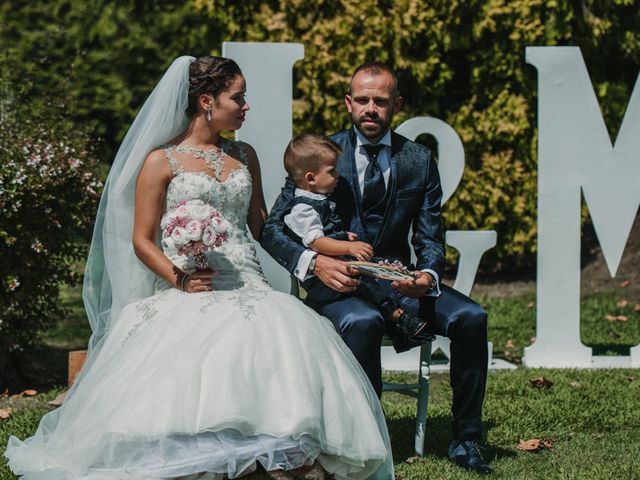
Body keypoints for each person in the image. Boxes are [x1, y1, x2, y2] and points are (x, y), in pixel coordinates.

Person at [4, 56, 394, 480]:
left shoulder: (245, 154)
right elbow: (142, 239)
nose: (246, 106)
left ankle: (277, 456)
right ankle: (214, 457)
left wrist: (319, 252)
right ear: (207, 101)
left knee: (279, 340)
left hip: (250, 284)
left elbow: (263, 226)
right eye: (238, 97)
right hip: (188, 285)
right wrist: (182, 278)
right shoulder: (160, 161)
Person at [261, 62, 493, 475]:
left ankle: (466, 441)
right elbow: (273, 227)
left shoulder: (419, 159)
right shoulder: (320, 154)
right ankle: (366, 441)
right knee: (363, 323)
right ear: (349, 103)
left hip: (398, 279)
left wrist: (428, 275)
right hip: (340, 285)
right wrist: (315, 261)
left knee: (472, 316)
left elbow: (429, 236)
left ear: (396, 104)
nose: (371, 108)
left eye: (380, 101)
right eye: (363, 100)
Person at [282, 132, 434, 340]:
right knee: (368, 282)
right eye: (332, 171)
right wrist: (347, 247)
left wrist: (345, 235)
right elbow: (316, 241)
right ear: (311, 178)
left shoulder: (318, 199)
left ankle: (400, 289)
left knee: (373, 271)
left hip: (343, 267)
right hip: (327, 281)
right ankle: (398, 317)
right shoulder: (303, 209)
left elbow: (324, 231)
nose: (337, 175)